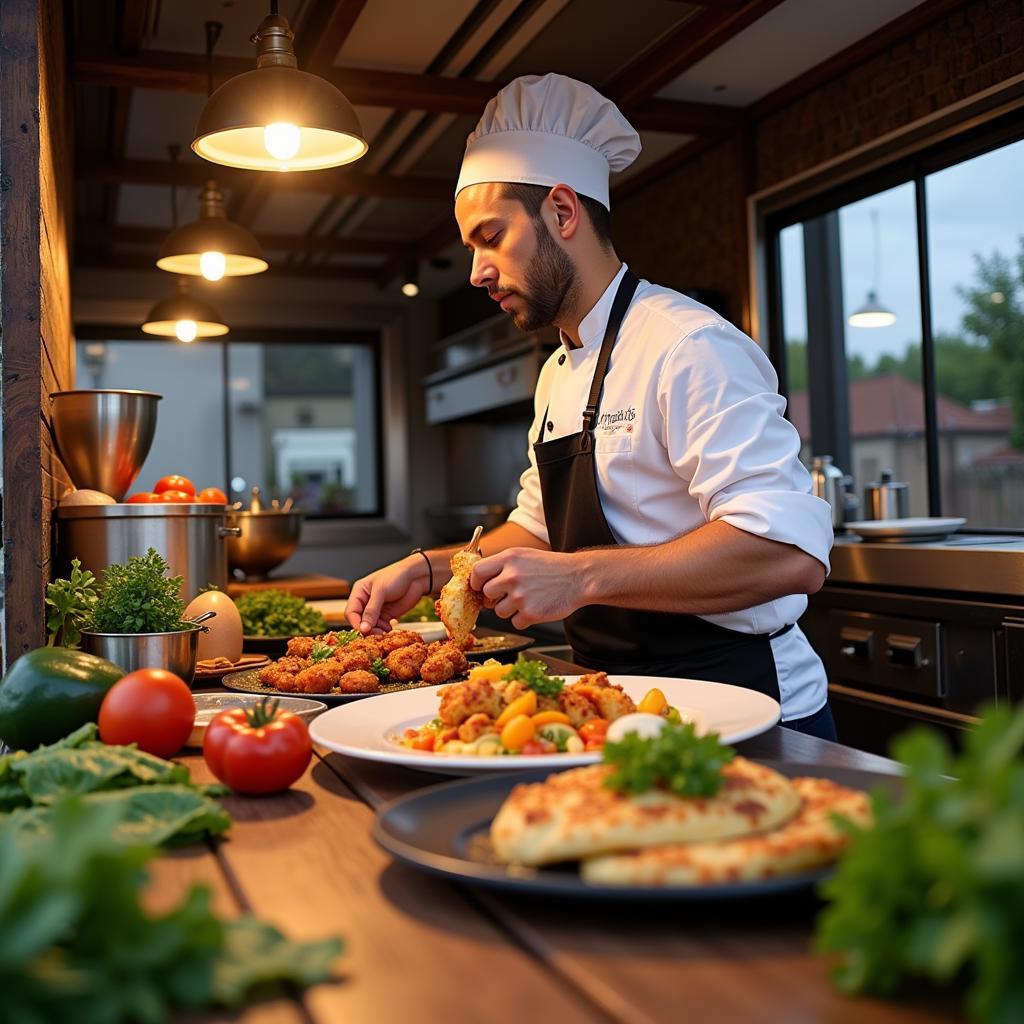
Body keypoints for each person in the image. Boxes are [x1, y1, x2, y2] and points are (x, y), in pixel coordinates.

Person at [347, 73, 836, 739]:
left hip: (743, 703)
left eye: (490, 237)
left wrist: (579, 579)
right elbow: (539, 530)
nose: (477, 272)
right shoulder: (557, 373)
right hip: (612, 705)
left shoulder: (688, 345)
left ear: (562, 211)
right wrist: (428, 569)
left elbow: (789, 552)